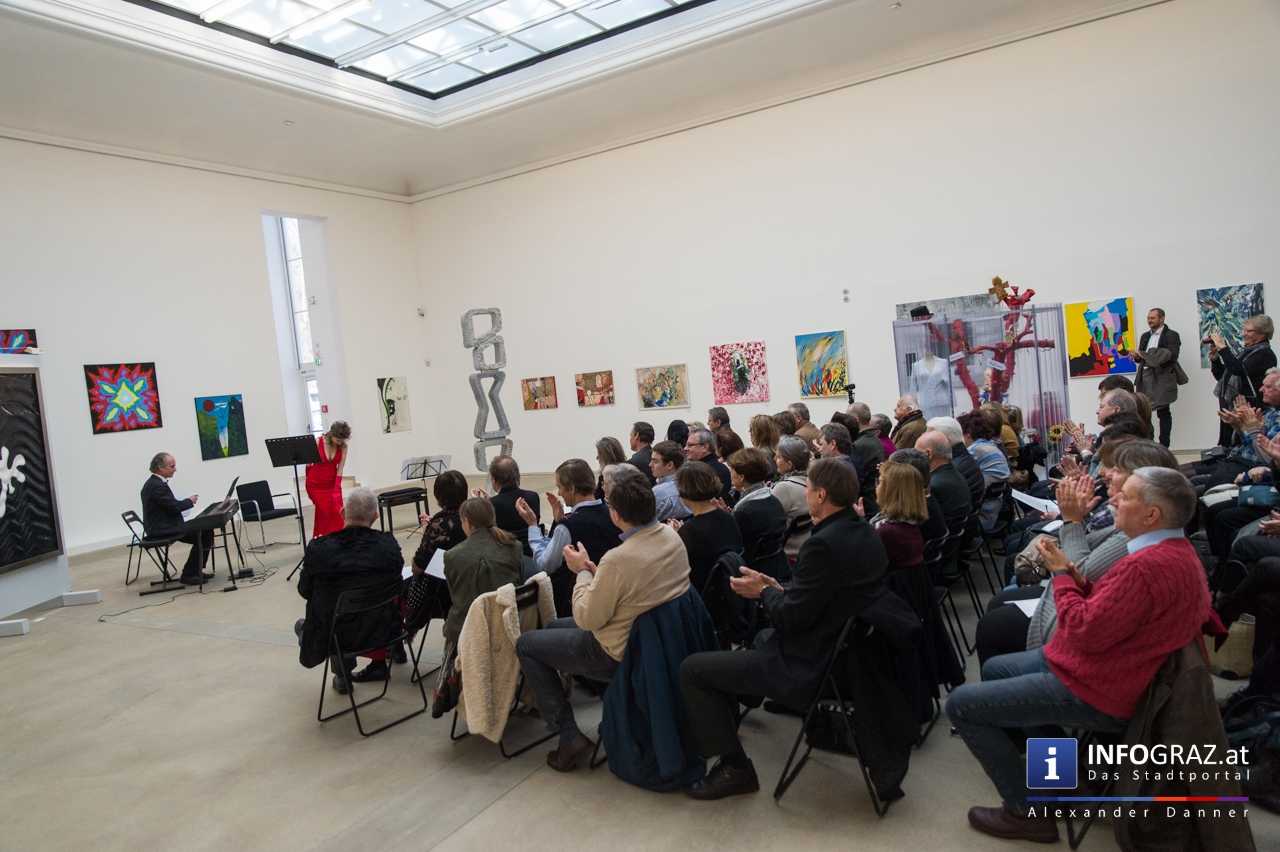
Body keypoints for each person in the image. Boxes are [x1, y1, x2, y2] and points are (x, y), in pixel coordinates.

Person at [946, 467, 1212, 842]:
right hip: (1106, 669)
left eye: (1125, 496)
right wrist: (1075, 576)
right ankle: (1057, 780)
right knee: (996, 669)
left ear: (1152, 514)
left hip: (1100, 688)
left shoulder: (1147, 565)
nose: (1114, 498)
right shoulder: (1170, 552)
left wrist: (1061, 576)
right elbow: (1113, 612)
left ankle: (1026, 813)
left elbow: (1082, 631)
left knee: (960, 705)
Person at [679, 458, 889, 799]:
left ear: (820, 495)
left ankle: (735, 767)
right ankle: (743, 691)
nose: (805, 494)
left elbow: (791, 618)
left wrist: (763, 593)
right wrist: (778, 588)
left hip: (810, 662)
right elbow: (821, 596)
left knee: (692, 670)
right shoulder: (863, 530)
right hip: (850, 653)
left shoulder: (822, 544)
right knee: (756, 640)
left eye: (808, 488)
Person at [515, 472, 691, 771]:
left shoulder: (619, 558)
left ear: (616, 514)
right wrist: (597, 574)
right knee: (553, 628)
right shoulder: (670, 536)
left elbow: (586, 618)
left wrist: (581, 571)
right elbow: (635, 584)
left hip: (618, 648)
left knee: (526, 644)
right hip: (653, 636)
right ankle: (602, 702)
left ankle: (568, 736)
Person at [974, 440, 1178, 665]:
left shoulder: (1135, 532)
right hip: (1076, 602)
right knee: (1003, 599)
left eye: (1115, 468)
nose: (1104, 473)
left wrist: (1072, 520)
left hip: (1080, 623)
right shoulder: (1134, 520)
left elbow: (1078, 572)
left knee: (994, 624)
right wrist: (1076, 516)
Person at [295, 488, 403, 692]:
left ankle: (342, 675)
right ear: (376, 516)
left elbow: (304, 590)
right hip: (384, 632)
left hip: (337, 637)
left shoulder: (320, 549)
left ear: (343, 513)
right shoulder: (388, 546)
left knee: (321, 620)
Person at [516, 459, 621, 615]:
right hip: (613, 597)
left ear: (571, 489)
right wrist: (558, 522)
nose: (559, 493)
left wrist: (532, 526)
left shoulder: (568, 526)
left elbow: (545, 565)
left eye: (560, 487)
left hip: (577, 605)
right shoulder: (615, 514)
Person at [443, 497, 523, 653]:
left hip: (469, 626)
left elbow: (456, 596)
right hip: (508, 620)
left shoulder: (452, 555)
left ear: (467, 522)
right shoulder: (514, 546)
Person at [140, 452, 212, 585]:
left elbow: (169, 506)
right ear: (160, 468)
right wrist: (190, 501)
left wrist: (185, 503)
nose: (175, 469)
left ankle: (195, 571)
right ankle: (189, 575)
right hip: (161, 530)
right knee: (202, 532)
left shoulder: (156, 483)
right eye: (172, 466)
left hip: (165, 526)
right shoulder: (156, 486)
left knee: (205, 531)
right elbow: (174, 507)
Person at [672, 461, 742, 591]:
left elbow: (678, 568)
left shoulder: (690, 531)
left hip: (702, 590)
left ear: (682, 491)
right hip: (728, 586)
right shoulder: (728, 517)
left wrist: (676, 536)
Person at [1210, 313, 1276, 447]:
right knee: (1229, 444)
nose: (1243, 334)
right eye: (1244, 330)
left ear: (1262, 334)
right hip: (1234, 407)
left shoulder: (1265, 354)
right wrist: (1215, 360)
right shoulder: (1246, 352)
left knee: (1243, 446)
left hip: (1250, 409)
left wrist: (1223, 347)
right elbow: (1223, 377)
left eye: (1249, 331)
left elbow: (1238, 370)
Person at [727, 448, 789, 580]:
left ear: (741, 477)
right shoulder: (773, 500)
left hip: (752, 573)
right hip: (778, 566)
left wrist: (726, 519)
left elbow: (733, 546)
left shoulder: (744, 511)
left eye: (731, 471)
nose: (730, 474)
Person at [867, 460, 928, 572]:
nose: (876, 487)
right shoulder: (910, 523)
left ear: (891, 491)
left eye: (880, 482)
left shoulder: (885, 532)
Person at [959, 410, 1011, 531]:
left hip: (981, 519)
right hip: (994, 513)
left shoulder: (975, 451)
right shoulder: (991, 446)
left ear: (967, 434)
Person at [915, 430, 971, 533]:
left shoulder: (933, 486)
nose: (914, 457)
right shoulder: (955, 473)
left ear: (928, 454)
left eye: (916, 452)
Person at [927, 416, 984, 511]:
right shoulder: (963, 459)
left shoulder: (951, 470)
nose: (924, 439)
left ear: (945, 440)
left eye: (929, 436)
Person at [304, 421, 349, 538]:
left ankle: (328, 539)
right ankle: (328, 539)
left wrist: (337, 488)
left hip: (332, 485)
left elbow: (340, 469)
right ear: (332, 434)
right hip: (315, 485)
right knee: (325, 512)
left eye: (342, 440)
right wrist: (308, 482)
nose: (340, 442)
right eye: (338, 440)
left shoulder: (343, 447)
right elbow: (308, 465)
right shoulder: (317, 442)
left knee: (337, 512)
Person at [487, 455, 540, 556]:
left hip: (504, 555)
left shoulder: (491, 504)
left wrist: (484, 504)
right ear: (517, 476)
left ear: (493, 479)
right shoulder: (533, 497)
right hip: (531, 552)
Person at [771, 435, 812, 560]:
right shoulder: (813, 482)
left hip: (788, 557)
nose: (774, 459)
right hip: (806, 551)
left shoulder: (784, 488)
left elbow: (767, 524)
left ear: (789, 464)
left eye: (779, 457)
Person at [685, 428, 733, 501]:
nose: (685, 448)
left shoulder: (702, 472)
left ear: (704, 447)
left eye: (690, 445)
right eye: (686, 445)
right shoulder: (720, 467)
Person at [650, 440, 692, 523]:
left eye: (655, 461)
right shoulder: (692, 484)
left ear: (670, 465)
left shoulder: (659, 492)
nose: (650, 464)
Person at [846, 402, 886, 469]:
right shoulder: (875, 439)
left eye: (847, 417)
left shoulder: (858, 444)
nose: (846, 420)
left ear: (855, 419)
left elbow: (853, 471)